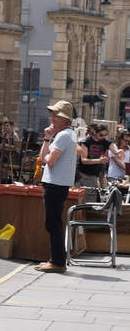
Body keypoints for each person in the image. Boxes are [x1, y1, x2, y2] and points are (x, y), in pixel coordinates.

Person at [36, 100, 79, 274]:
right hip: (57, 183)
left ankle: (58, 261)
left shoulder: (63, 136)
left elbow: (49, 160)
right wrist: (47, 138)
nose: (52, 118)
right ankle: (55, 259)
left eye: (56, 115)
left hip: (55, 184)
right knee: (53, 222)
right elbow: (42, 157)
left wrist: (47, 153)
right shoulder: (65, 134)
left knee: (52, 223)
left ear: (65, 119)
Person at [76, 123, 110, 189]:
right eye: (101, 135)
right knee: (83, 197)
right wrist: (99, 160)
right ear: (94, 132)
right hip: (83, 173)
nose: (103, 137)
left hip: (94, 174)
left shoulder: (104, 141)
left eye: (105, 135)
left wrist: (117, 152)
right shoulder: (85, 141)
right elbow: (84, 160)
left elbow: (112, 146)